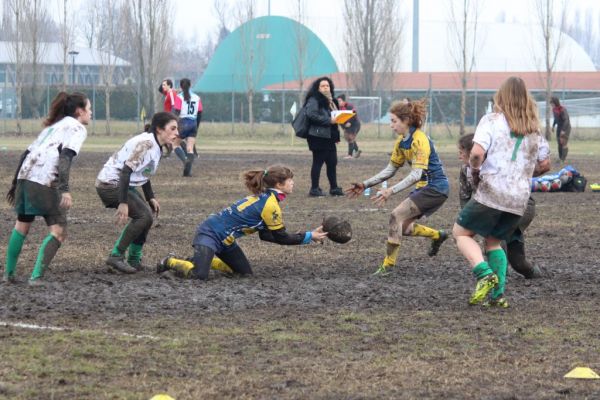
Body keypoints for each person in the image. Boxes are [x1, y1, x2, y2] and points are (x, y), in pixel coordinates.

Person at [453, 77, 548, 308]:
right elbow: (545, 165)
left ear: (501, 97)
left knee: (461, 233)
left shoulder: (492, 120)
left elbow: (476, 154)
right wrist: (521, 175)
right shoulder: (535, 130)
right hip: (519, 200)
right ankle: (497, 296)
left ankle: (484, 273)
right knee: (494, 242)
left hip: (493, 192)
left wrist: (475, 172)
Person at [157, 165, 328, 280]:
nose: (293, 183)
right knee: (199, 275)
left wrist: (304, 236)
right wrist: (309, 236)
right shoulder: (270, 204)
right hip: (210, 232)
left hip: (226, 240)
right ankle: (169, 261)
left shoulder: (268, 199)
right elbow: (281, 237)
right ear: (279, 184)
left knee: (243, 273)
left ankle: (198, 259)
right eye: (290, 180)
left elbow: (266, 236)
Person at [346, 99, 449, 276]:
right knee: (404, 227)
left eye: (394, 121)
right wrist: (365, 184)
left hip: (436, 187)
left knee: (396, 215)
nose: (391, 125)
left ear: (406, 120)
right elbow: (391, 169)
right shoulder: (402, 142)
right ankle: (437, 235)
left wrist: (390, 190)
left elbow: (416, 175)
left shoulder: (419, 140)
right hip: (426, 188)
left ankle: (388, 265)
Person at [3, 92, 91, 285]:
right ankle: (36, 277)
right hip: (44, 180)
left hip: (25, 176)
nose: (91, 113)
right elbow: (65, 156)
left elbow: (26, 153)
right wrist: (64, 188)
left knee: (22, 225)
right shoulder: (77, 128)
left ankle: (8, 274)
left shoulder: (53, 127)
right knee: (59, 231)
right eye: (89, 109)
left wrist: (15, 184)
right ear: (79, 111)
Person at [457, 133, 550, 283]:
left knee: (494, 238)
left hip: (522, 207)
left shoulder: (494, 166)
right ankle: (533, 272)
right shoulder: (465, 170)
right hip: (494, 209)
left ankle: (498, 277)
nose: (459, 155)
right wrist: (468, 221)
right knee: (518, 262)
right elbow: (465, 196)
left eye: (462, 151)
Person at [96, 112, 179, 274]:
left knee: (147, 217)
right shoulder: (146, 145)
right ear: (160, 129)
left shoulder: (156, 145)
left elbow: (143, 173)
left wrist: (150, 197)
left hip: (121, 184)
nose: (177, 133)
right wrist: (123, 203)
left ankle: (134, 260)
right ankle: (116, 256)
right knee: (143, 216)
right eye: (173, 128)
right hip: (110, 184)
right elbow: (126, 172)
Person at [304, 77, 344, 197]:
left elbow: (335, 118)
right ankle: (314, 189)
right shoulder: (314, 100)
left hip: (330, 137)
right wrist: (328, 120)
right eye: (323, 86)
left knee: (332, 162)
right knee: (318, 162)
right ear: (318, 88)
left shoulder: (332, 101)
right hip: (317, 136)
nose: (326, 88)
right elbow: (311, 115)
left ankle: (334, 187)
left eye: (327, 85)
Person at [177, 78, 203, 177]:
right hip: (193, 123)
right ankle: (187, 172)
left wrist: (174, 124)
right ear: (190, 85)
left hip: (183, 123)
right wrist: (197, 125)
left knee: (175, 144)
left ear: (180, 86)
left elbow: (176, 112)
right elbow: (200, 112)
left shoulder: (179, 97)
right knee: (190, 148)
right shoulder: (197, 97)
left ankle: (185, 161)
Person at [337, 94, 362, 159]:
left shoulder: (349, 106)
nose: (338, 102)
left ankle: (349, 155)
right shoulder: (339, 108)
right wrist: (343, 127)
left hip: (355, 124)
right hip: (347, 126)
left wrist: (349, 122)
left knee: (350, 138)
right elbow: (340, 119)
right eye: (338, 101)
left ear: (344, 101)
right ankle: (357, 151)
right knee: (348, 138)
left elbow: (354, 113)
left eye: (340, 101)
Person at [551, 96, 571, 163]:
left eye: (552, 103)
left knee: (563, 142)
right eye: (551, 104)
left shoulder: (562, 109)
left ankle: (563, 159)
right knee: (559, 143)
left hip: (566, 127)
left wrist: (563, 130)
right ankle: (560, 158)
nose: (551, 105)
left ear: (555, 103)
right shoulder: (554, 110)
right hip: (559, 127)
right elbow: (556, 119)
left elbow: (566, 120)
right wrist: (553, 126)